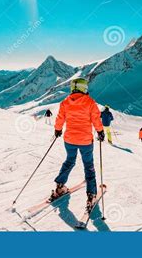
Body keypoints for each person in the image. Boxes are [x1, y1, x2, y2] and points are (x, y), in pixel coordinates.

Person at [52, 77, 105, 210]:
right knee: (88, 165)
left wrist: (58, 129)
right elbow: (96, 119)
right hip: (85, 141)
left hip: (69, 140)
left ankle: (59, 186)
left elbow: (60, 118)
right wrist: (100, 131)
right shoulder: (90, 102)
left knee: (69, 161)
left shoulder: (65, 102)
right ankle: (91, 194)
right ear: (84, 88)